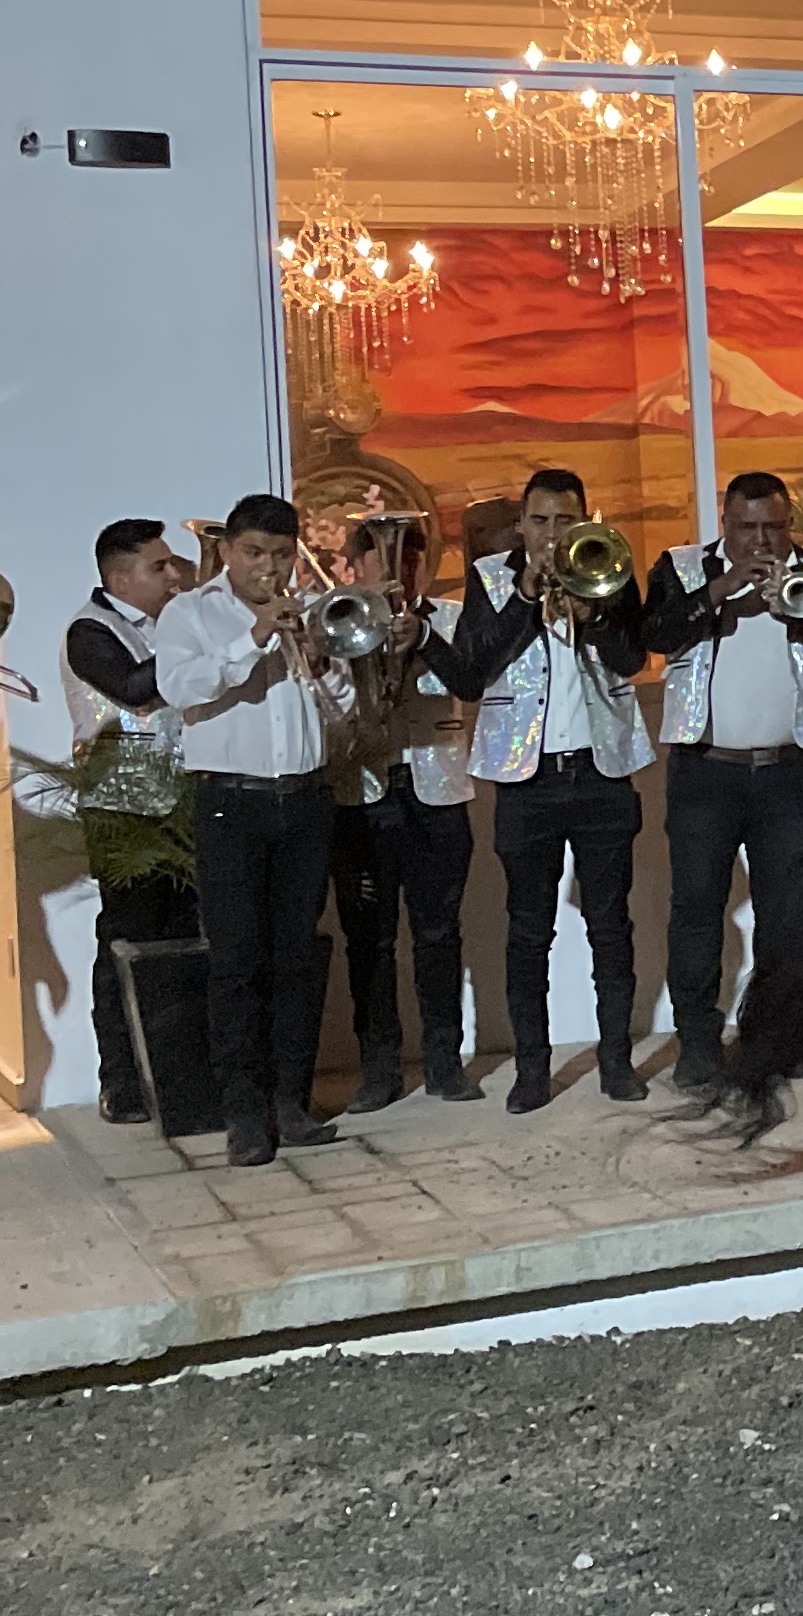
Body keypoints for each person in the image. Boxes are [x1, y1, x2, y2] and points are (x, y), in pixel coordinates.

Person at [435, 465, 653, 1111]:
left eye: (565, 521)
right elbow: (473, 671)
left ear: (585, 519)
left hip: (601, 772)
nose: (551, 534)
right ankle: (534, 1070)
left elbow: (632, 660)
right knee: (529, 931)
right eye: (539, 521)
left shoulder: (609, 566)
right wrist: (528, 599)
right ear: (520, 523)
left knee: (611, 926)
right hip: (525, 780)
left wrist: (596, 615)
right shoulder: (489, 579)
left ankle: (616, 1062)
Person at [148, 490, 354, 1164]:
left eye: (283, 554)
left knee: (296, 956)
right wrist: (255, 636)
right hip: (228, 804)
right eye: (256, 553)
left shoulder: (312, 614)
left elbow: (342, 709)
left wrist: (324, 661)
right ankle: (242, 1114)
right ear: (227, 552)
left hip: (302, 799)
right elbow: (181, 689)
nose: (271, 567)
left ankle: (291, 1103)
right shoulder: (191, 614)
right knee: (236, 961)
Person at [642, 471, 803, 1093]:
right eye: (748, 528)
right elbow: (651, 636)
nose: (762, 540)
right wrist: (720, 590)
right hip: (704, 771)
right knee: (696, 910)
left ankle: (774, 1038)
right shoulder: (681, 568)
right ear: (726, 525)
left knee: (787, 914)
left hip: (788, 770)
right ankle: (698, 1044)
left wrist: (801, 614)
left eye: (774, 527)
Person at [325, 515, 480, 1111]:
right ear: (354, 567)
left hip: (437, 791)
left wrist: (422, 639)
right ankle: (379, 1071)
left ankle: (444, 1064)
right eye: (381, 562)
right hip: (360, 791)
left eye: (409, 562)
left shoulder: (447, 616)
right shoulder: (334, 615)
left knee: (439, 933)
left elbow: (471, 679)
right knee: (369, 940)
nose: (396, 573)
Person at [59, 518, 193, 1122]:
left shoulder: (174, 621)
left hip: (183, 803)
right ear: (119, 577)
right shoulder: (89, 631)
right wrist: (201, 645)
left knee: (187, 939)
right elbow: (137, 688)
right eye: (158, 567)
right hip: (124, 812)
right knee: (126, 943)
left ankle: (181, 1071)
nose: (174, 575)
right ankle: (121, 1081)